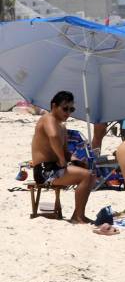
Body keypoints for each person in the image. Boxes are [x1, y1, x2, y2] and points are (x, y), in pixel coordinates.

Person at [31, 91, 96, 223]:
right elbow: (53, 137)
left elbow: (66, 152)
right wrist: (61, 159)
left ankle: (78, 214)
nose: (68, 113)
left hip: (55, 167)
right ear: (54, 106)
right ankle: (78, 216)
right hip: (44, 170)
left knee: (91, 175)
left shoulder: (61, 126)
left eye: (71, 109)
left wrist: (75, 160)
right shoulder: (48, 119)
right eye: (65, 108)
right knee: (87, 176)